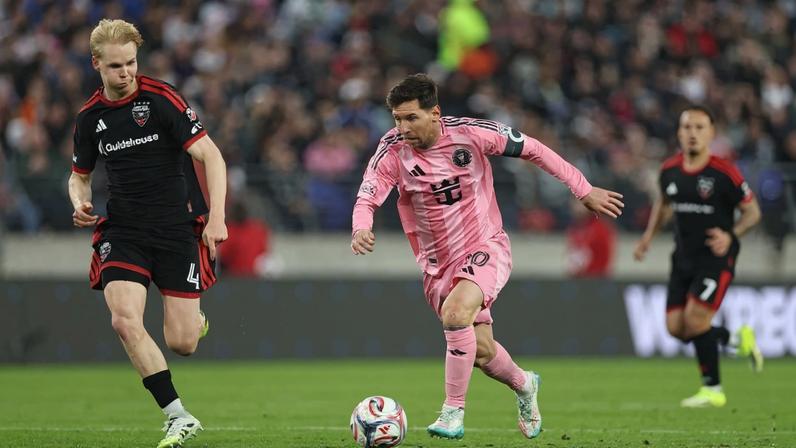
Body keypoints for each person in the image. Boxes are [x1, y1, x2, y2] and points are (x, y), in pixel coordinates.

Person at [351, 73, 624, 440]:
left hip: (485, 245)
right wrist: (361, 226)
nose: (402, 127)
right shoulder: (392, 152)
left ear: (435, 113)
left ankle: (452, 412)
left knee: (455, 313)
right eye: (397, 119)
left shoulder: (472, 133)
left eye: (411, 118)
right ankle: (524, 384)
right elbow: (368, 194)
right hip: (436, 266)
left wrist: (583, 189)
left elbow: (534, 149)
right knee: (480, 352)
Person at [68, 19, 227, 448]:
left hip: (176, 230)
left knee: (183, 343)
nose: (127, 73)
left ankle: (195, 321)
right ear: (97, 64)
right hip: (124, 230)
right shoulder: (90, 118)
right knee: (123, 320)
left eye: (132, 63)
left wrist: (217, 217)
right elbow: (79, 176)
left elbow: (211, 156)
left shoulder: (161, 98)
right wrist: (78, 201)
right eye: (117, 66)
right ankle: (177, 416)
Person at [634, 105, 763, 408]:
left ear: (711, 133)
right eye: (687, 127)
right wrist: (647, 238)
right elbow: (663, 204)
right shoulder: (669, 171)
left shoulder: (724, 172)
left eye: (700, 127)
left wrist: (731, 234)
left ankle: (713, 389)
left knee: (695, 320)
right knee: (676, 329)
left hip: (715, 258)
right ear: (679, 133)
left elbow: (753, 212)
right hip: (683, 257)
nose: (693, 133)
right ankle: (736, 341)